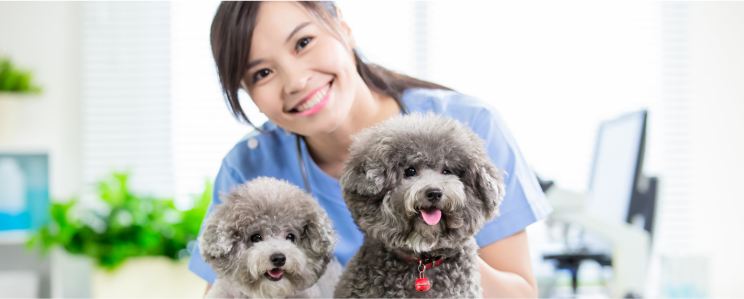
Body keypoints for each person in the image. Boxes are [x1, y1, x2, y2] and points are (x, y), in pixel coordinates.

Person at [188, 2, 552, 298]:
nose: (296, 81)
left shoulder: (470, 123)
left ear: (342, 26)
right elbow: (227, 287)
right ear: (247, 94)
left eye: (303, 43)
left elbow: (520, 293)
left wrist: (437, 248)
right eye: (262, 73)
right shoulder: (248, 165)